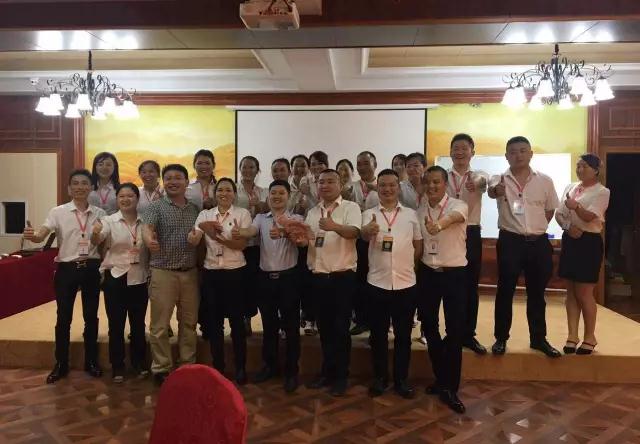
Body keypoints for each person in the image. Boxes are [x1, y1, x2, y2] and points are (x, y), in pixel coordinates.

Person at [23, 169, 106, 384]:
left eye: (84, 183)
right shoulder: (58, 212)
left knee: (91, 316)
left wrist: (97, 235)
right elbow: (41, 234)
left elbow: (101, 243)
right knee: (63, 318)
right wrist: (33, 236)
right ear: (69, 188)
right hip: (66, 269)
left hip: (91, 268)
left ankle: (91, 361)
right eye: (75, 183)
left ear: (91, 187)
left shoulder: (100, 213)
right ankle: (61, 363)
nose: (80, 187)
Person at [487, 136, 561, 358]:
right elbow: (492, 191)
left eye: (522, 150)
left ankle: (538, 339)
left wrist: (534, 230)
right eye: (512, 152)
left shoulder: (545, 180)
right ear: (506, 156)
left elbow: (550, 210)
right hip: (510, 241)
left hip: (538, 243)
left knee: (537, 293)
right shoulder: (498, 179)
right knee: (505, 291)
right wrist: (496, 191)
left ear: (530, 153)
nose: (518, 155)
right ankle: (501, 338)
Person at [234, 180, 302, 392]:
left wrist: (285, 232)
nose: (277, 196)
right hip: (265, 279)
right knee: (269, 326)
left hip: (289, 279)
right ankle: (270, 366)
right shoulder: (261, 219)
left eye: (281, 193)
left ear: (289, 196)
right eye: (273, 193)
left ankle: (292, 371)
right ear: (268, 196)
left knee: (291, 327)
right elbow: (251, 231)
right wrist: (239, 231)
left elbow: (302, 241)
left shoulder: (296, 219)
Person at [361, 169, 422, 399]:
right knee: (378, 336)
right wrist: (367, 231)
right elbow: (364, 236)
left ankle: (401, 380)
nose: (387, 189)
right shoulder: (368, 214)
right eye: (383, 185)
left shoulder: (411, 215)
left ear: (398, 187)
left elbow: (418, 246)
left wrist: (406, 265)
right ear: (377, 188)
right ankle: (380, 378)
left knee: (403, 336)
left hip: (406, 284)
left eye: (392, 185)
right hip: (377, 283)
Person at [303, 169, 361, 396]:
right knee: (325, 329)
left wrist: (333, 226)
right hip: (318, 277)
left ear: (340, 184)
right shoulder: (312, 211)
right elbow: (308, 240)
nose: (325, 185)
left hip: (342, 277)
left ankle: (341, 376)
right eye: (321, 182)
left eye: (330, 181)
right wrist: (298, 238)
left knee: (341, 329)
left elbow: (354, 232)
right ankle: (327, 372)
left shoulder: (350, 208)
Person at [188, 178, 252, 384]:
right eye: (220, 190)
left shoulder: (242, 214)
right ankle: (219, 369)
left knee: (237, 323)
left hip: (236, 273)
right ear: (214, 194)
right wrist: (194, 236)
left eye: (228, 190)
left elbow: (241, 245)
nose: (224, 193)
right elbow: (195, 238)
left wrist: (217, 237)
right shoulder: (205, 215)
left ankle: (240, 368)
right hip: (212, 273)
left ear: (234, 194)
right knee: (215, 324)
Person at [142, 164, 201, 386]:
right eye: (168, 178)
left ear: (186, 182)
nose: (173, 182)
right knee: (159, 325)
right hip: (163, 272)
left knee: (189, 323)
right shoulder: (155, 207)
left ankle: (187, 365)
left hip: (190, 274)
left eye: (178, 178)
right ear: (163, 182)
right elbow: (147, 228)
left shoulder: (195, 209)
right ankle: (161, 367)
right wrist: (149, 240)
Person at [416, 165, 468, 414]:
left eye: (436, 182)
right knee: (429, 326)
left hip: (454, 274)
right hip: (428, 274)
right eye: (428, 182)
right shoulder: (419, 211)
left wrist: (439, 224)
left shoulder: (459, 205)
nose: (432, 186)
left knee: (455, 330)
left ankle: (451, 387)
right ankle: (440, 378)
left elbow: (454, 218)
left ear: (445, 184)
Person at [91, 183, 149, 383]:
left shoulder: (145, 221)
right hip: (115, 277)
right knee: (116, 324)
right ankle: (117, 365)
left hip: (139, 277)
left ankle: (139, 362)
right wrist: (95, 233)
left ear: (137, 198)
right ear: (117, 199)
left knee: (138, 324)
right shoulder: (108, 221)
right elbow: (97, 239)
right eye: (122, 196)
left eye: (130, 196)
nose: (126, 199)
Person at [556, 154, 610, 355]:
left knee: (584, 293)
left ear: (596, 170)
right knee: (571, 291)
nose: (580, 169)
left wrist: (576, 206)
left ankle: (590, 337)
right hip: (570, 239)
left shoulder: (602, 191)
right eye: (578, 166)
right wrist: (567, 226)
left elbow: (589, 217)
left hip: (589, 242)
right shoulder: (571, 187)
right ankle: (572, 336)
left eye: (584, 166)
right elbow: (559, 213)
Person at [446, 134, 489, 355]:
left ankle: (468, 334)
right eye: (456, 148)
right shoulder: (443, 177)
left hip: (470, 232)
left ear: (472, 151)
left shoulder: (479, 175)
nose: (460, 152)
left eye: (464, 148)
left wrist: (477, 183)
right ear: (450, 152)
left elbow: (485, 182)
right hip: (447, 232)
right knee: (450, 285)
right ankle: (451, 332)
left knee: (471, 286)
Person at [235, 155, 269, 336]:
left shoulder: (264, 191)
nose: (247, 170)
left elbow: (270, 212)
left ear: (257, 170)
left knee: (255, 284)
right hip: (238, 244)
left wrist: (261, 205)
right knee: (239, 284)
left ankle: (251, 318)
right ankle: (241, 321)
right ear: (240, 169)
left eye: (251, 167)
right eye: (245, 167)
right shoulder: (233, 189)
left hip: (258, 244)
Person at [350, 151, 380, 336]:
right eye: (359, 164)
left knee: (377, 279)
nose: (362, 167)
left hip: (378, 238)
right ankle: (361, 320)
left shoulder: (383, 185)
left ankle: (378, 321)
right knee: (359, 280)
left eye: (366, 163)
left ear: (375, 164)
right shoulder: (350, 187)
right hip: (357, 239)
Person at [289, 154, 317, 336]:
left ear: (308, 168)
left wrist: (308, 194)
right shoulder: (286, 188)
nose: (299, 169)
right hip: (289, 241)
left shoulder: (315, 186)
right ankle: (292, 318)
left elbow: (319, 209)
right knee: (293, 282)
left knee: (308, 282)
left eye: (303, 166)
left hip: (310, 241)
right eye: (296, 166)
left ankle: (309, 317)